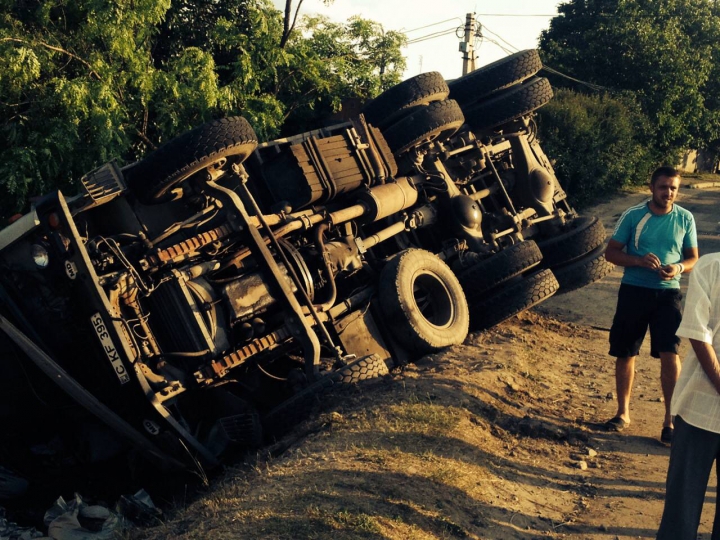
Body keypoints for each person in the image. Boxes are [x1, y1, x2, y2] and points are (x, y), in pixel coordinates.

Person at [603, 166, 698, 443]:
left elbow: (693, 258)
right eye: (663, 187)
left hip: (668, 295)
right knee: (626, 352)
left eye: (673, 188)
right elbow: (611, 253)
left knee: (670, 354)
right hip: (634, 291)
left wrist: (678, 268)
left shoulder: (685, 218)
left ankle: (670, 421)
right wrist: (638, 260)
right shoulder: (634, 215)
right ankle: (623, 413)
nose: (668, 193)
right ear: (651, 187)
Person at [656, 252, 720, 539]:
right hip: (700, 410)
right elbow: (697, 333)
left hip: (702, 408)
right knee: (681, 514)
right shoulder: (712, 265)